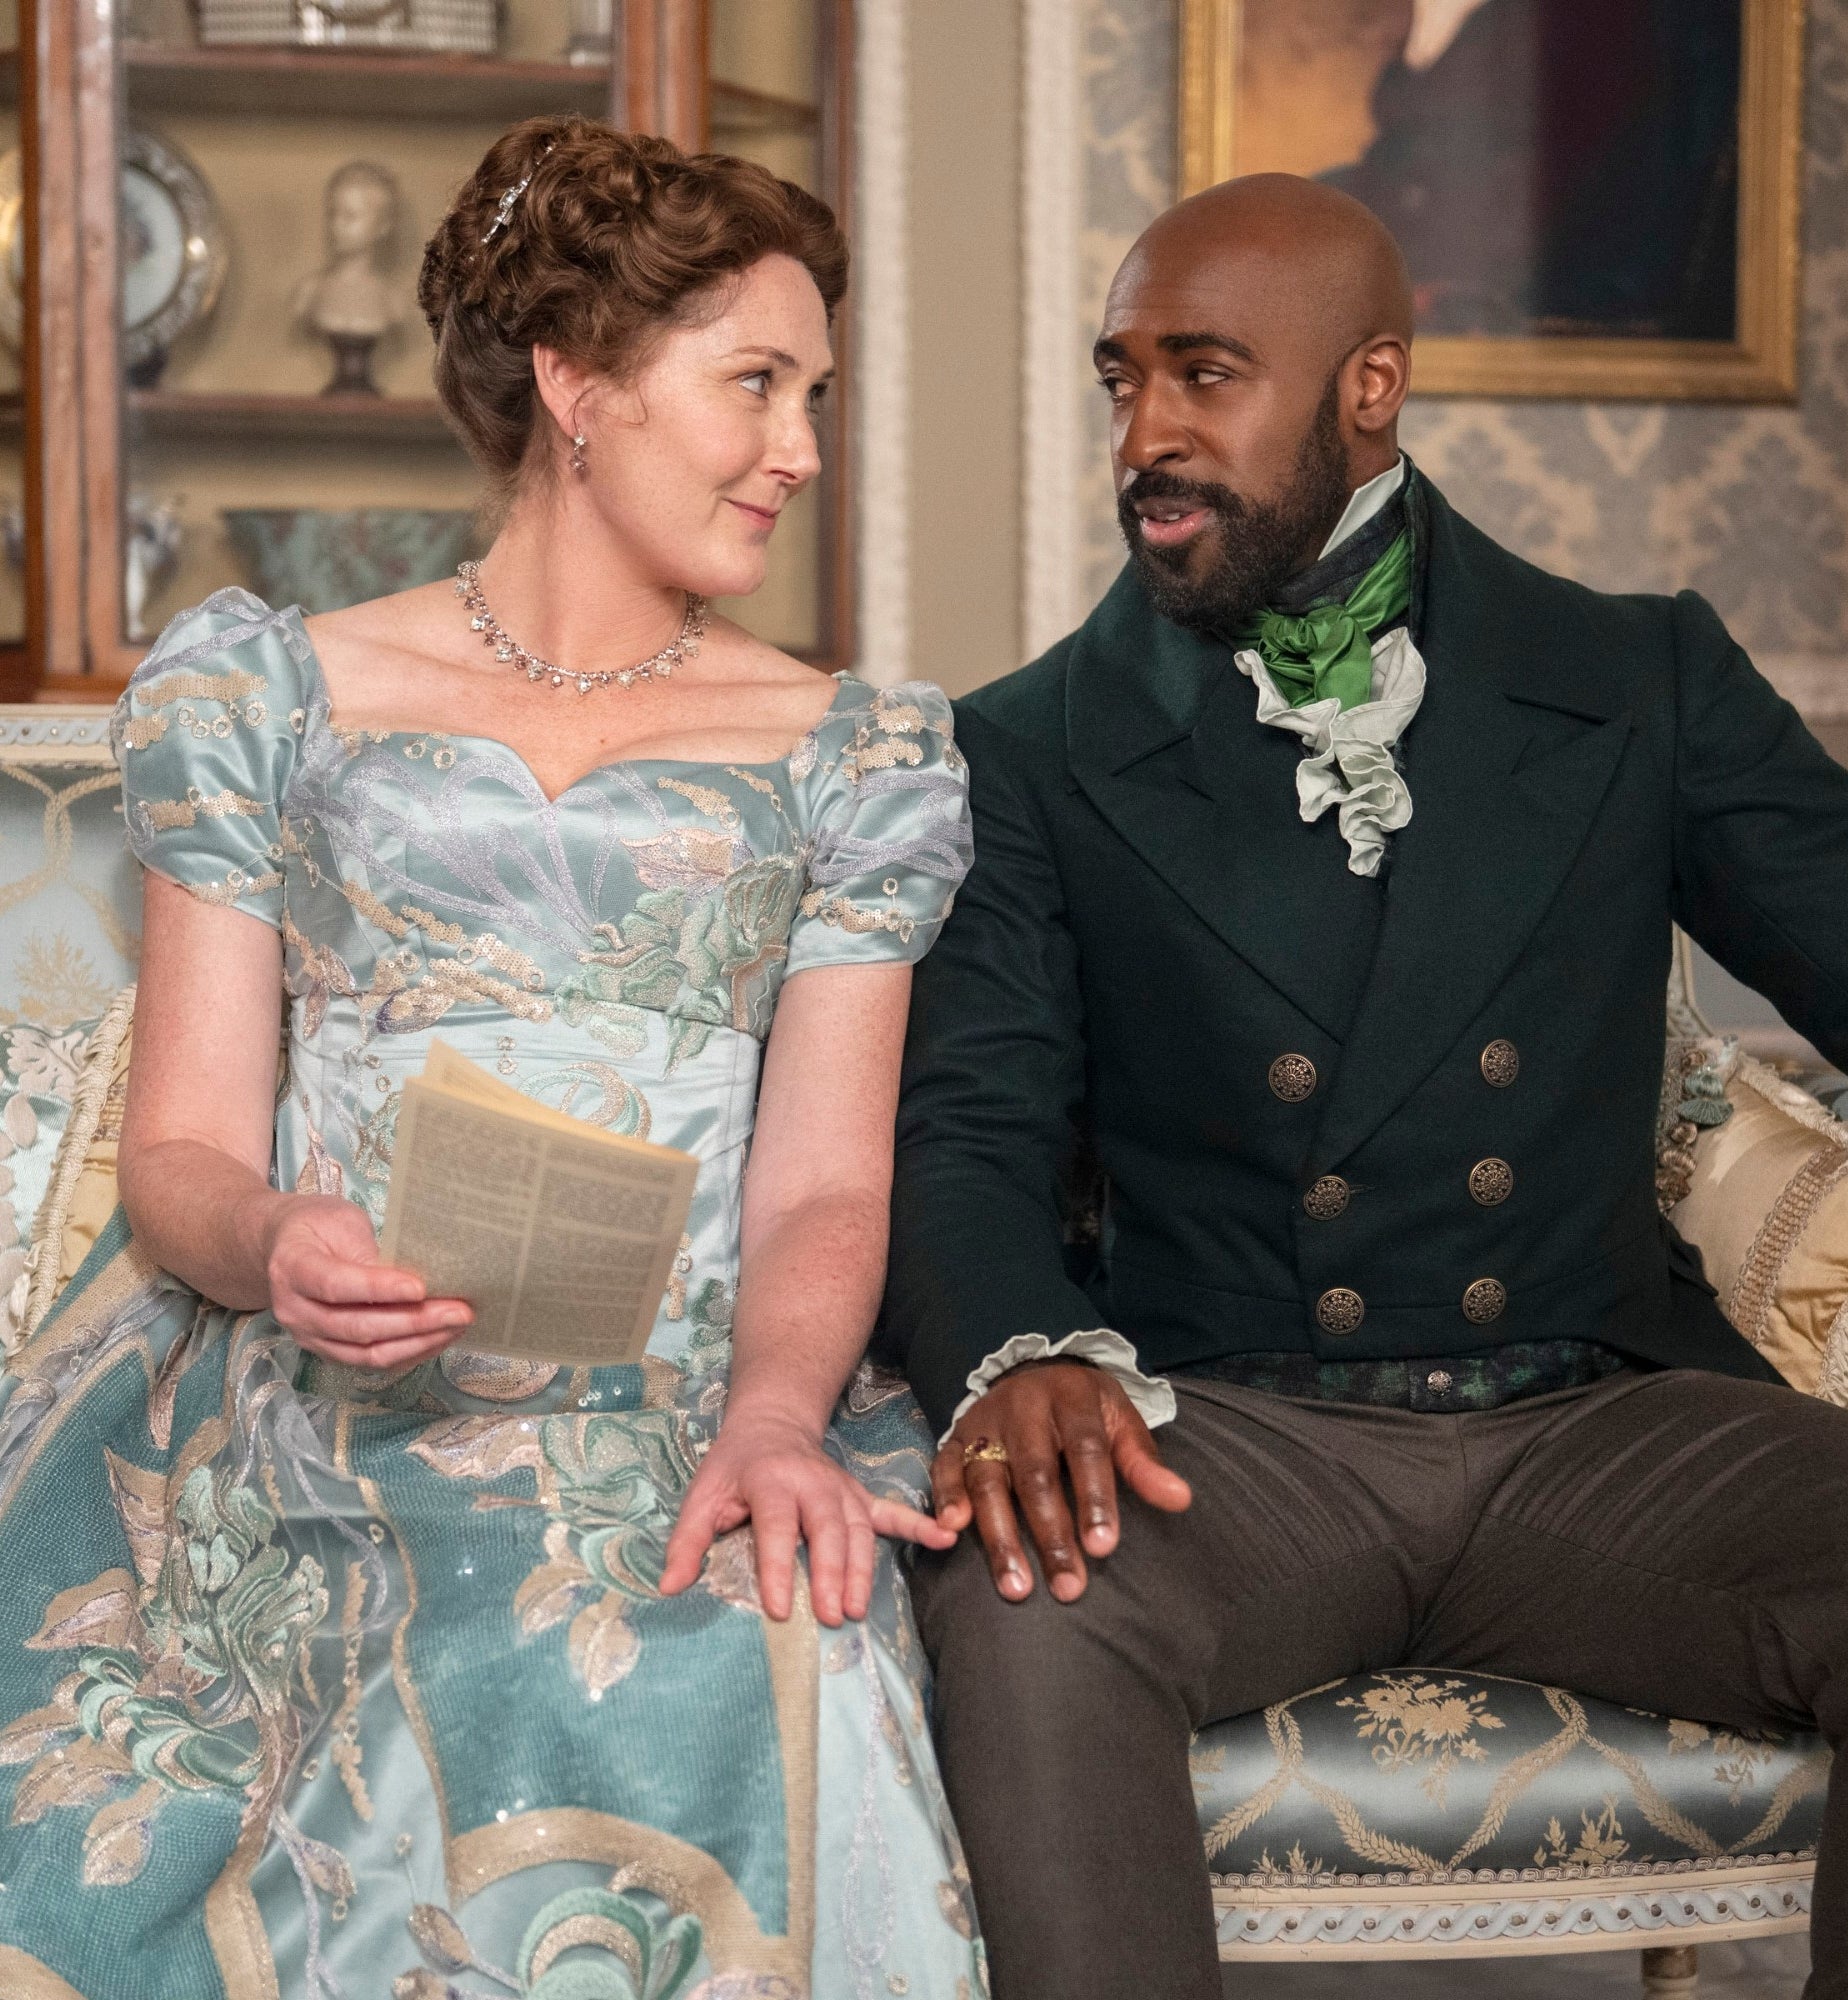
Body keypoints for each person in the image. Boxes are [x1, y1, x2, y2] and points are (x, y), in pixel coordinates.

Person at [0, 117, 983, 2000]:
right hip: (321, 1398)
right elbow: (181, 1155)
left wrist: (778, 1418)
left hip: (681, 1407)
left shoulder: (854, 756)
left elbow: (825, 1182)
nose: (802, 448)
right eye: (756, 384)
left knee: (770, 1645)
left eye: (817, 394)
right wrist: (275, 1241)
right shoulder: (269, 695)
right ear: (577, 384)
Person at [882, 172, 1848, 2000]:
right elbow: (968, 1133)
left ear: (1370, 387)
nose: (1146, 439)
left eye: (1206, 376)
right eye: (1122, 382)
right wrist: (1020, 1352)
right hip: (1232, 1437)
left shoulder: (1639, 678)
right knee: (1027, 1603)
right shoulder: (1021, 748)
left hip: (1596, 1420)